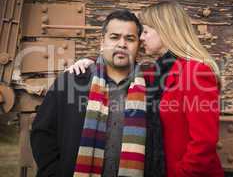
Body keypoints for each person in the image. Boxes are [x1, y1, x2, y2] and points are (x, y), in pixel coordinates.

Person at [68, 1, 224, 177]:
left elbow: (205, 142)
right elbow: (122, 66)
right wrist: (91, 61)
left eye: (147, 31)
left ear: (165, 32)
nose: (141, 38)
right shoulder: (157, 73)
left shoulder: (196, 72)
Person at [30, 10, 148, 177]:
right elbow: (42, 132)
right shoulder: (71, 81)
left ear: (138, 45)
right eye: (114, 37)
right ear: (102, 42)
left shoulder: (150, 89)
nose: (122, 44)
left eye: (130, 39)